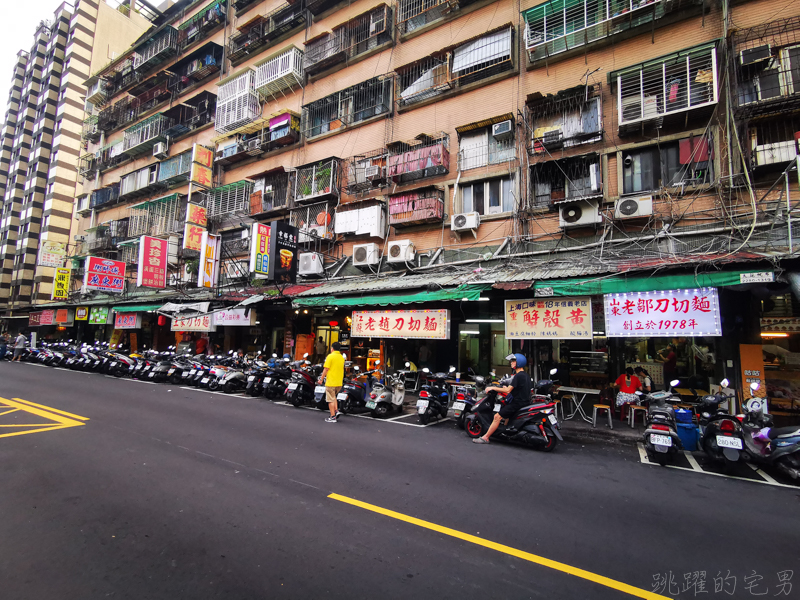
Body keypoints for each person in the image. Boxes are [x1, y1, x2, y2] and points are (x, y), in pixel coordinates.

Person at [473, 353, 531, 444]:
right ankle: (505, 434)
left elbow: (508, 390)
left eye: (513, 361)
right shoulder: (526, 375)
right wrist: (504, 389)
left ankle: (486, 437)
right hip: (524, 401)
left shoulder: (518, 376)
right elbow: (518, 389)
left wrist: (492, 388)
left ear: (518, 363)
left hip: (517, 403)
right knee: (506, 412)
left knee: (497, 416)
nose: (511, 363)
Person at [318, 342, 345, 423]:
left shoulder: (330, 356)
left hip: (331, 382)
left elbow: (326, 369)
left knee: (330, 399)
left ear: (332, 348)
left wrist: (321, 379)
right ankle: (336, 411)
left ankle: (332, 416)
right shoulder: (341, 357)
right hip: (339, 382)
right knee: (333, 397)